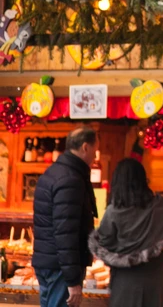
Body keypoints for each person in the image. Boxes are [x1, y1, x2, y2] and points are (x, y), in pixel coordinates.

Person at [89, 159, 163, 307]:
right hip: (157, 278)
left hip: (126, 281)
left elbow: (104, 243)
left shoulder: (114, 212)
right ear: (143, 180)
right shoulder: (162, 206)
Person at [32, 126, 100, 307]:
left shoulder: (55, 172)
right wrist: (72, 280)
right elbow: (66, 233)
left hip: (50, 263)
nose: (96, 155)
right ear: (85, 147)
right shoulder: (71, 179)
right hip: (60, 268)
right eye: (95, 149)